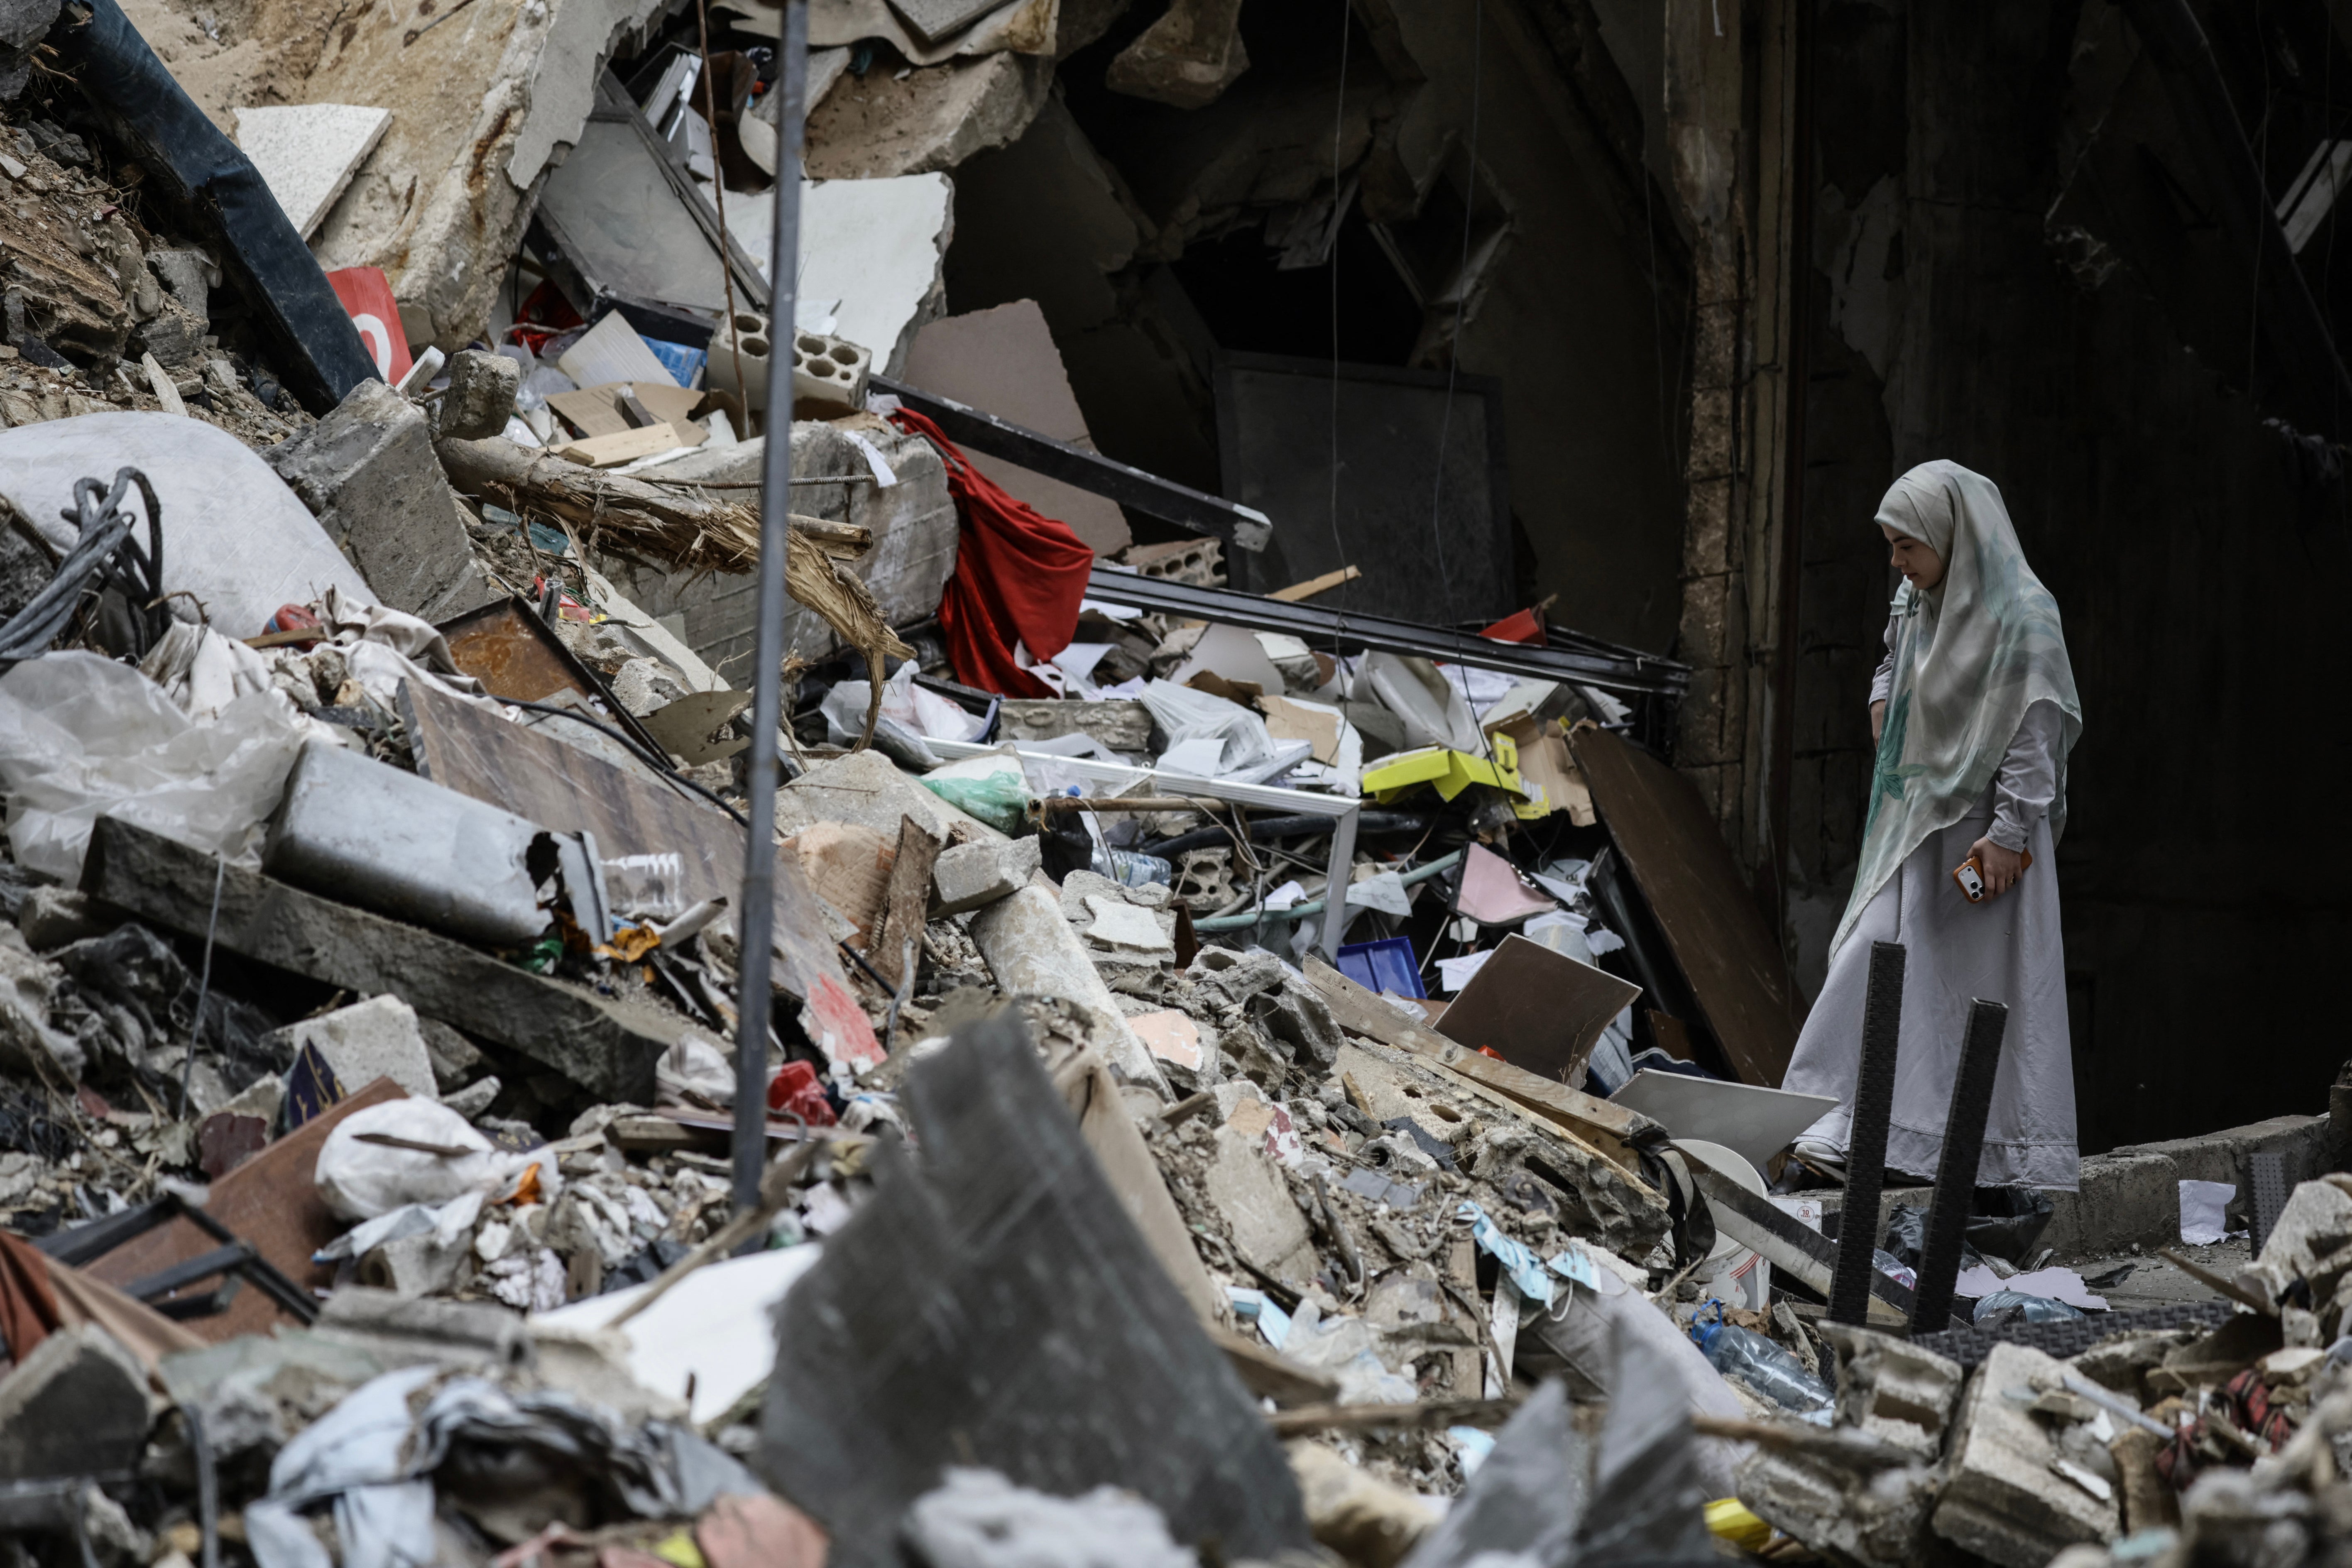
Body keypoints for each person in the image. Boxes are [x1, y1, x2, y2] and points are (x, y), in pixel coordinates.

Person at [1782, 460, 2083, 1190]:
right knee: (1873, 955)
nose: (1897, 561)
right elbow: (1891, 667)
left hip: (1985, 830)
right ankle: (1825, 1124)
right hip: (1919, 821)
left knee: (1968, 1002)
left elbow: (2033, 729)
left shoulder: (2023, 614)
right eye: (1891, 545)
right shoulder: (1915, 601)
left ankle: (1968, 1163)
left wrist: (2009, 836)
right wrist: (1891, 725)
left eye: (1907, 545)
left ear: (1951, 535)